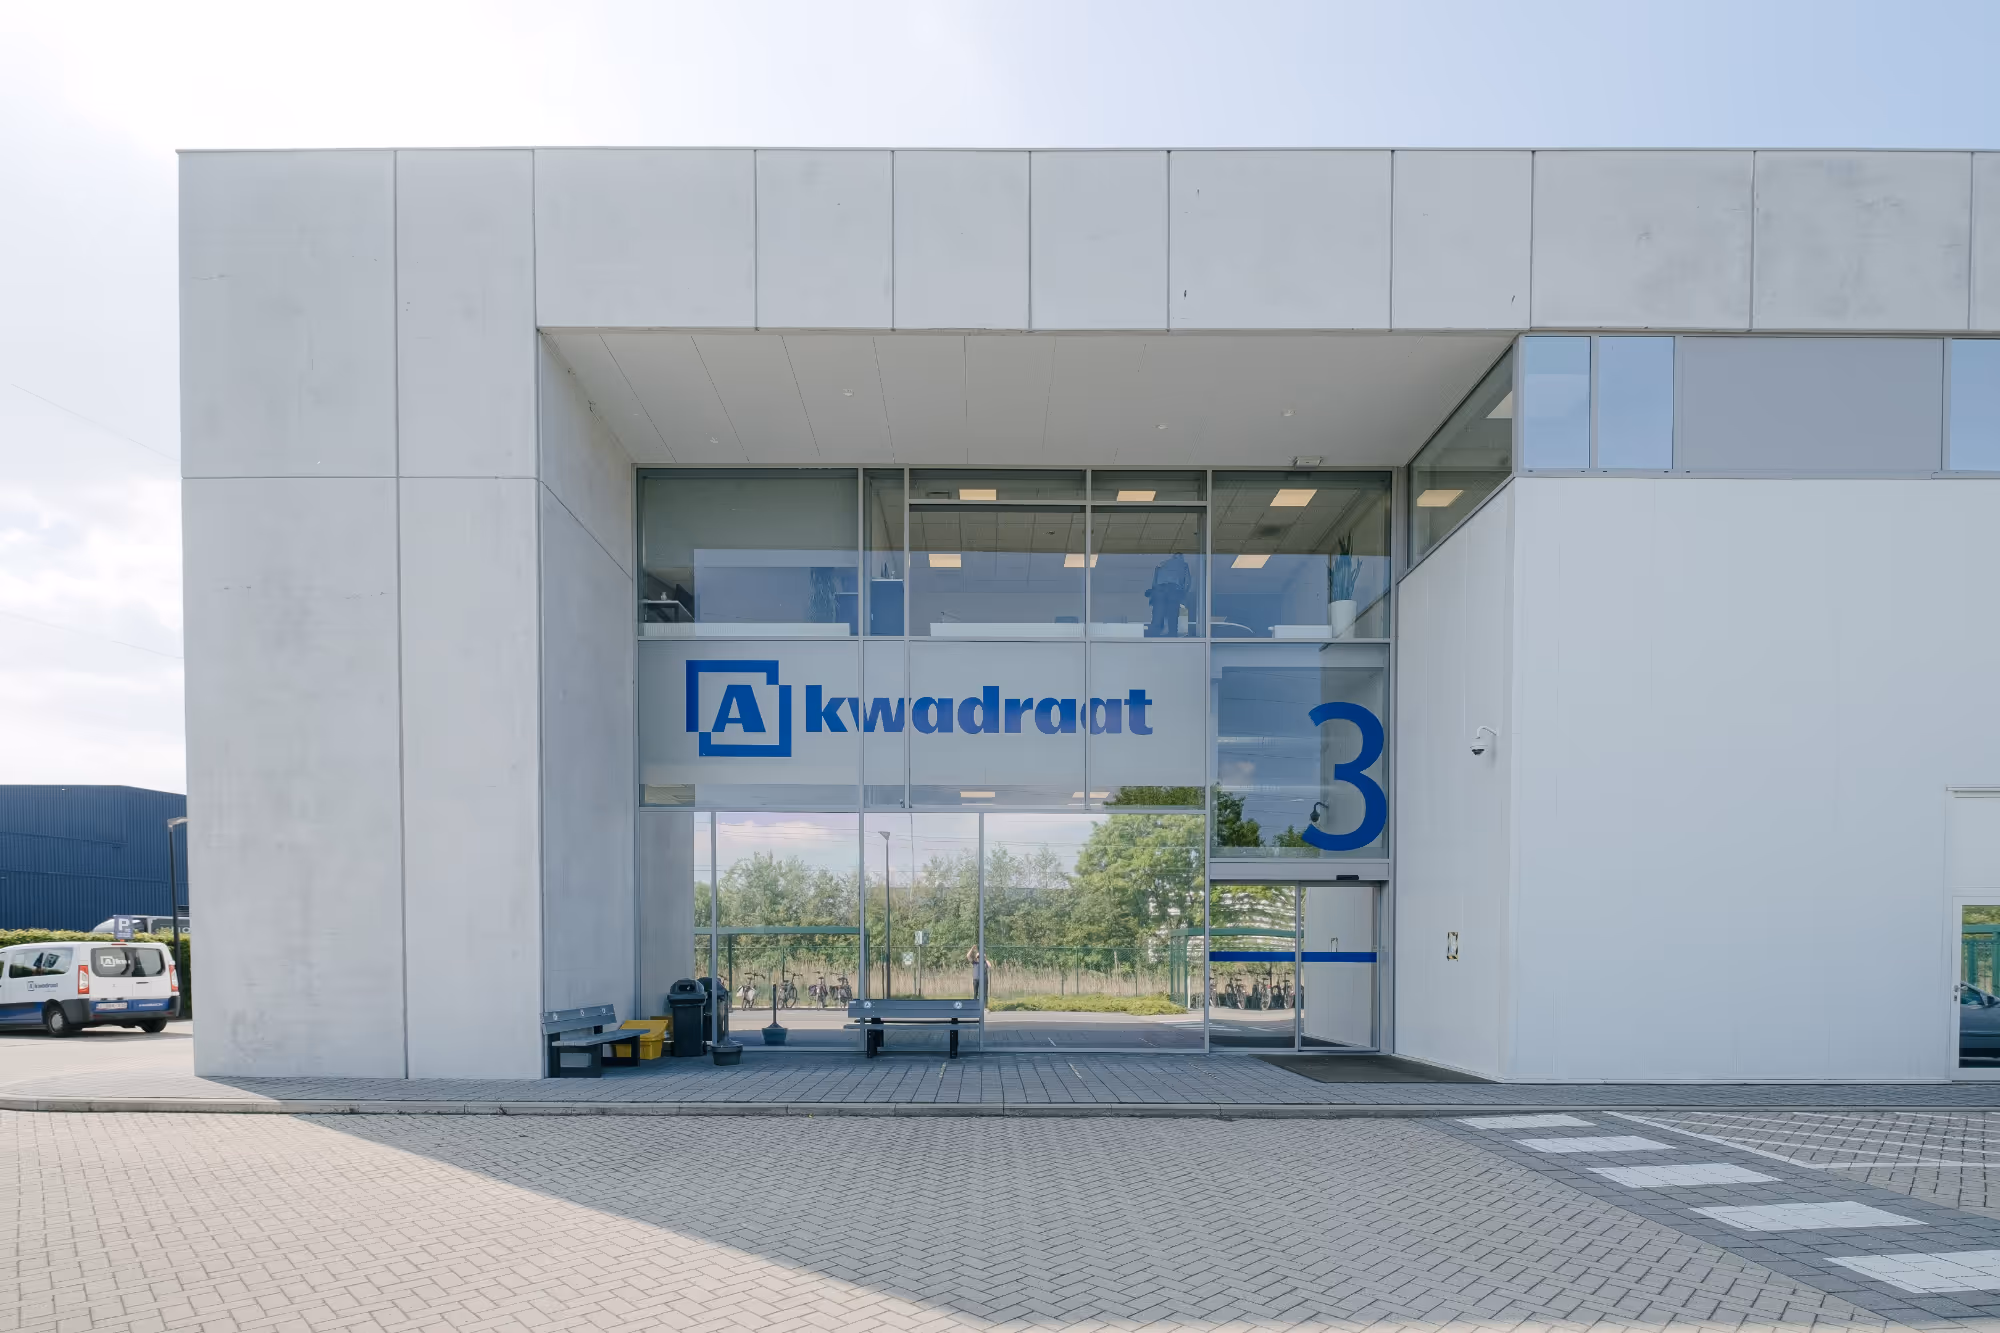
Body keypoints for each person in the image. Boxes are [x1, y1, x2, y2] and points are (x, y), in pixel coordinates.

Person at [1144, 552, 1193, 638]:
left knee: (1158, 614)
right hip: (1174, 590)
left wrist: (1154, 593)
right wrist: (1183, 593)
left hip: (1160, 590)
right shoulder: (1184, 565)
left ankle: (1154, 636)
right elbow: (1188, 582)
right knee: (1172, 615)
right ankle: (1172, 636)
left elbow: (1155, 581)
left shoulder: (1162, 564)